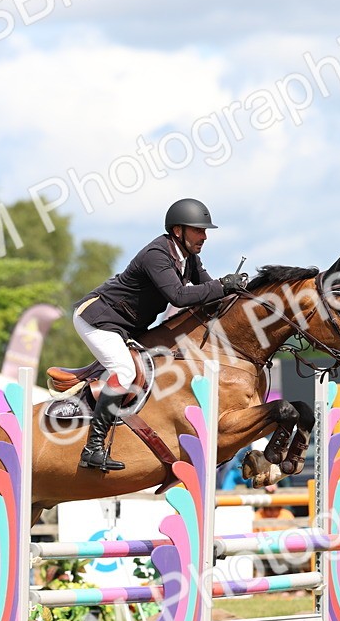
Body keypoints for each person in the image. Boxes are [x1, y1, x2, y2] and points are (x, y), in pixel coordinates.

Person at [71, 198, 247, 472]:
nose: (204, 237)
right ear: (178, 231)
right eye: (198, 230)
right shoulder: (157, 254)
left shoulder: (189, 258)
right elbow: (178, 296)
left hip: (129, 326)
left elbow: (208, 293)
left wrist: (237, 293)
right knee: (124, 371)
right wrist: (223, 286)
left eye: (205, 231)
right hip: (98, 319)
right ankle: (92, 448)